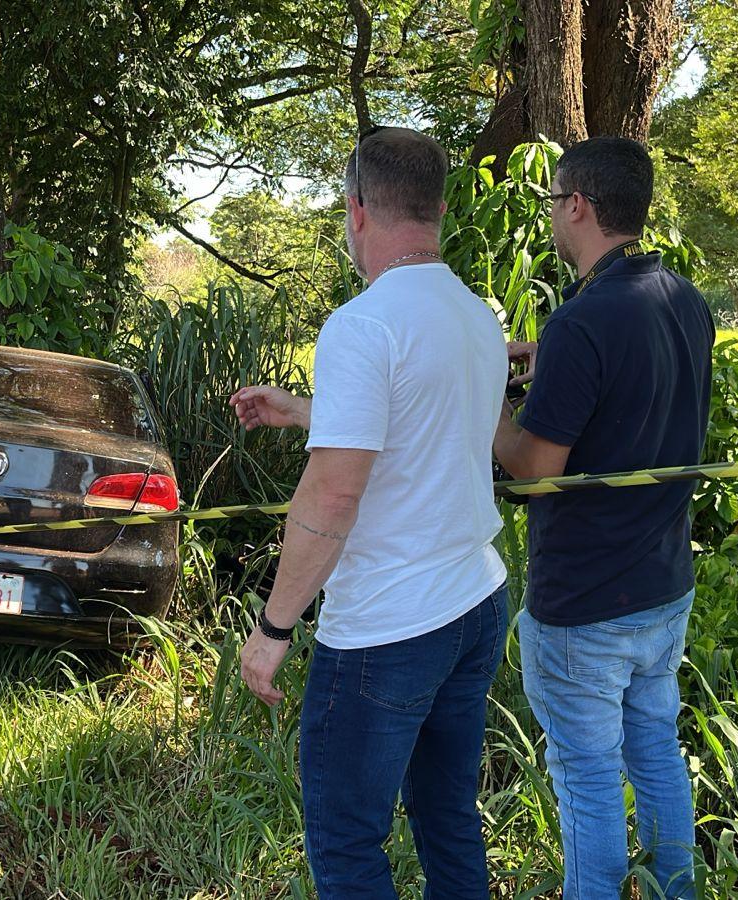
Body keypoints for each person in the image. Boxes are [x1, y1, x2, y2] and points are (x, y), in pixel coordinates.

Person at [229, 127, 509, 898]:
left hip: (391, 626)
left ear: (356, 209)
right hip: (476, 601)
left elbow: (333, 496)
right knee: (447, 813)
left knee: (348, 840)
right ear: (440, 210)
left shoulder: (362, 324)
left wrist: (273, 628)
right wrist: (300, 411)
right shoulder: (474, 314)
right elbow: (420, 418)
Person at [492, 137, 713, 899]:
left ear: (577, 205)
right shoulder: (681, 298)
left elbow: (534, 468)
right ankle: (675, 890)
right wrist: (544, 362)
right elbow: (629, 403)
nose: (555, 215)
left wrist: (490, 397)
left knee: (587, 785)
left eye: (555, 201)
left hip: (585, 606)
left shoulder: (582, 322)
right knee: (656, 752)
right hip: (663, 586)